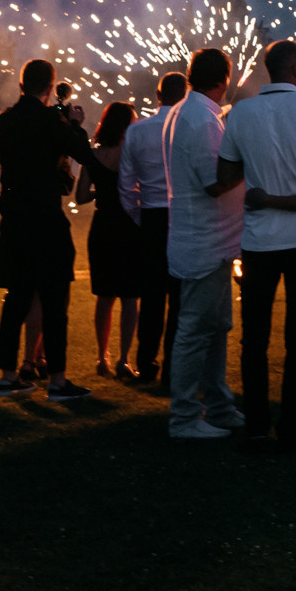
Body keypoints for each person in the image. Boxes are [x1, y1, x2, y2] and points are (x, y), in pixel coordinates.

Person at [211, 40, 296, 448]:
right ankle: (290, 425)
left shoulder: (240, 112)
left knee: (253, 336)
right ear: (294, 68)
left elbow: (227, 172)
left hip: (258, 239)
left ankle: (255, 422)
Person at [0, 61, 96, 402]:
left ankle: (8, 377)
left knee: (15, 299)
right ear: (49, 87)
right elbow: (82, 153)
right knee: (53, 301)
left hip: (15, 219)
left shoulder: (3, 121)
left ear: (21, 84)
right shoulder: (52, 121)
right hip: (46, 219)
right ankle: (58, 381)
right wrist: (74, 124)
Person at [162, 48, 246, 438]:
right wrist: (251, 160)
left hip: (207, 239)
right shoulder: (201, 120)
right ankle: (183, 417)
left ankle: (219, 405)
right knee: (196, 330)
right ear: (223, 78)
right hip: (204, 241)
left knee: (214, 328)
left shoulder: (190, 112)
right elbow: (215, 182)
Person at [119, 72, 187, 385]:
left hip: (151, 217)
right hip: (183, 217)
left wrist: (139, 215)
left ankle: (146, 364)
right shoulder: (190, 127)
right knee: (179, 297)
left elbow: (125, 183)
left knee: (152, 296)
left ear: (158, 96)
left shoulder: (137, 131)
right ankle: (174, 366)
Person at [76, 102, 140, 377]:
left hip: (103, 227)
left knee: (104, 297)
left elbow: (79, 197)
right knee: (129, 297)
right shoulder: (134, 155)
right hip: (129, 226)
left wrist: (100, 192)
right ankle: (124, 359)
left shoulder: (92, 156)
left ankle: (102, 357)